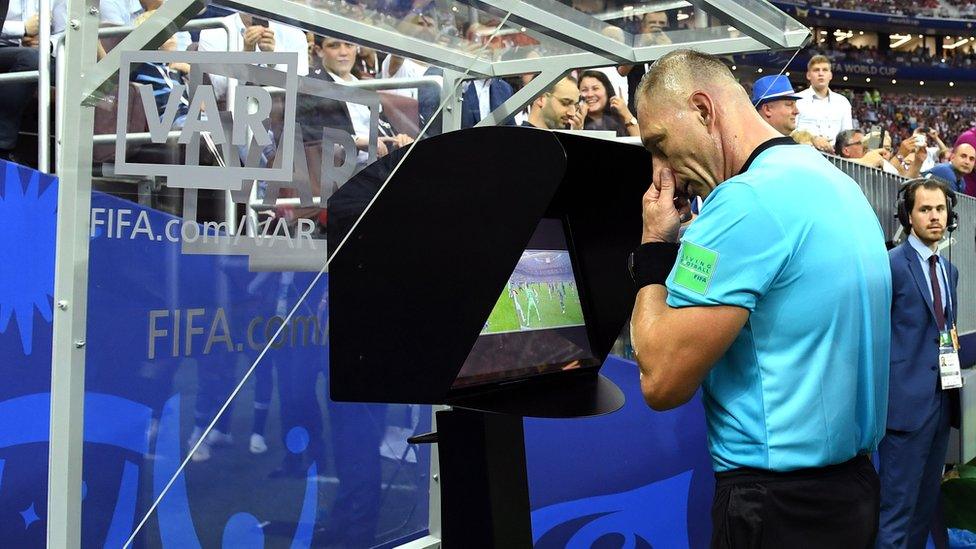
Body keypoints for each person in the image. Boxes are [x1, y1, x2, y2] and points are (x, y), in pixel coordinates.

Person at [629, 49, 890, 546]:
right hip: (852, 492)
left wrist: (653, 251)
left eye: (659, 144)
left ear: (704, 110)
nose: (661, 168)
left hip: (776, 507)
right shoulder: (839, 184)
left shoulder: (745, 201)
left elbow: (661, 380)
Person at [879, 178, 960, 549]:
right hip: (904, 410)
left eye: (940, 209)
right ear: (908, 215)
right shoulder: (891, 266)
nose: (934, 217)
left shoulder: (949, 270)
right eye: (925, 209)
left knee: (924, 509)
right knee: (895, 513)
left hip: (942, 405)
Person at [795, 55, 853, 153]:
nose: (821, 73)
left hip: (834, 157)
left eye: (825, 70)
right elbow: (791, 132)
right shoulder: (797, 100)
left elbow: (847, 136)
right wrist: (813, 139)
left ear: (830, 75)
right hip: (804, 155)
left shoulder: (842, 102)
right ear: (808, 75)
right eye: (816, 70)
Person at [578, 70, 639, 137]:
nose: (590, 94)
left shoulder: (619, 119)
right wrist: (578, 126)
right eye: (584, 90)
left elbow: (640, 142)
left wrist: (626, 114)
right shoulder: (573, 121)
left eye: (595, 88)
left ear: (607, 91)